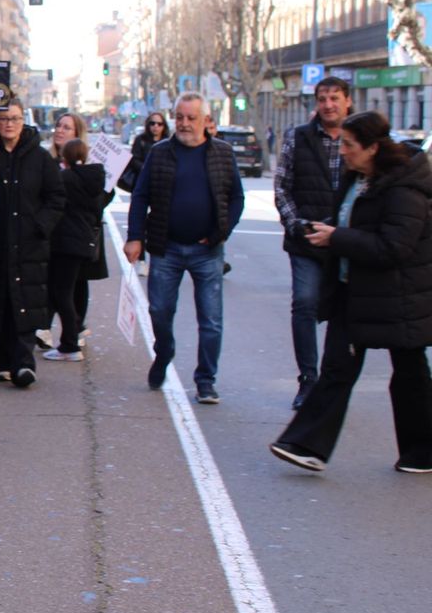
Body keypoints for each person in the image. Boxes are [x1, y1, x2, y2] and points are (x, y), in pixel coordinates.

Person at [270, 111, 432, 475]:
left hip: (398, 297)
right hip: (354, 290)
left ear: (373, 148)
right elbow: (354, 224)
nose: (341, 151)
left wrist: (337, 238)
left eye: (349, 145)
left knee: (410, 373)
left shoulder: (406, 188)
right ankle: (305, 445)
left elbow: (394, 246)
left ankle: (422, 452)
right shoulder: (358, 178)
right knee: (337, 369)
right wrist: (329, 231)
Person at [124, 93, 245, 404]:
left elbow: (237, 198)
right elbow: (140, 196)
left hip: (208, 251)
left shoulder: (223, 153)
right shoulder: (160, 152)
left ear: (206, 120)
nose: (184, 123)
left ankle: (206, 379)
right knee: (159, 310)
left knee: (211, 319)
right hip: (166, 247)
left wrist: (222, 231)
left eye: (191, 118)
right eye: (179, 117)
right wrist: (135, 237)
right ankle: (164, 352)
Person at [0, 97, 65, 387]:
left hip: (28, 242)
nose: (9, 124)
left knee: (25, 301)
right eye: (4, 119)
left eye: (15, 119)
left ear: (24, 121)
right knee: (0, 302)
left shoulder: (40, 157)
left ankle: (24, 362)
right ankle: (4, 360)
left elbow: (56, 196)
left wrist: (41, 225)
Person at [273, 77, 353, 409]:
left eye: (335, 97)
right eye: (322, 98)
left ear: (347, 101)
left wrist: (348, 230)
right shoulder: (298, 137)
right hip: (306, 240)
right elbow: (281, 186)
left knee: (343, 312)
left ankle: (335, 382)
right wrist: (296, 224)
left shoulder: (359, 139)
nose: (328, 104)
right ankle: (308, 379)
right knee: (305, 303)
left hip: (348, 243)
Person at [45, 136, 111, 361]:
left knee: (61, 292)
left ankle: (69, 343)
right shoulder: (94, 179)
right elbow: (100, 207)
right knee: (68, 291)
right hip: (84, 241)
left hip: (64, 241)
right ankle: (71, 338)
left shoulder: (65, 179)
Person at [121, 111, 168, 194]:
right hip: (141, 183)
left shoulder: (168, 142)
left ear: (164, 126)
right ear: (148, 125)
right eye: (152, 123)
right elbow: (134, 160)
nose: (155, 126)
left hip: (161, 185)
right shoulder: (140, 139)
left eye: (159, 124)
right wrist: (147, 170)